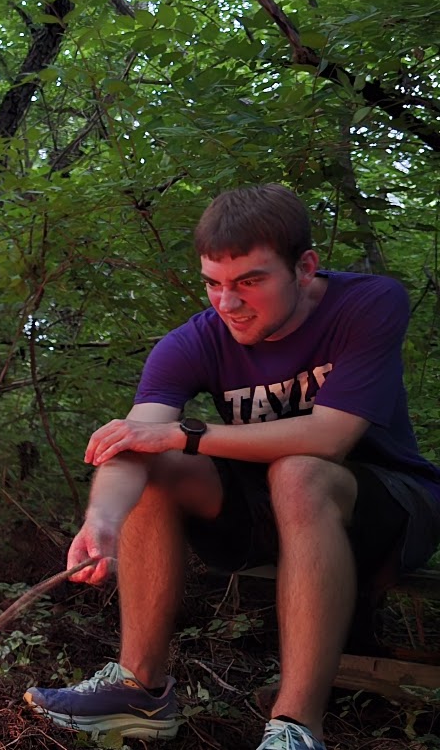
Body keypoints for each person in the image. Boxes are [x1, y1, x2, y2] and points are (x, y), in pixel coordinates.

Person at [24, 184, 440, 750]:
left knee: (298, 471)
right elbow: (135, 439)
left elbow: (332, 437)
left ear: (305, 266)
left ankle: (294, 729)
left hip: (388, 508)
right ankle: (138, 691)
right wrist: (102, 520)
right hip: (268, 513)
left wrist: (187, 431)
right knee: (159, 462)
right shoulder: (192, 342)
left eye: (250, 282)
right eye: (214, 284)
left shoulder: (368, 304)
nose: (228, 304)